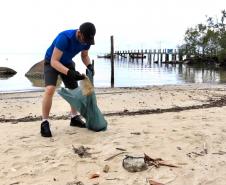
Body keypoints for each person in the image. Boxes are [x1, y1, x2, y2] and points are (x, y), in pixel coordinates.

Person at [40, 22, 96, 137]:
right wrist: (70, 73)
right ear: (79, 33)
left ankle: (74, 118)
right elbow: (54, 61)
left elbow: (84, 56)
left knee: (74, 90)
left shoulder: (87, 40)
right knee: (50, 89)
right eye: (84, 40)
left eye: (87, 41)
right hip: (51, 62)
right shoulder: (64, 38)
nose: (85, 43)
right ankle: (44, 122)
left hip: (67, 62)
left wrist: (89, 66)